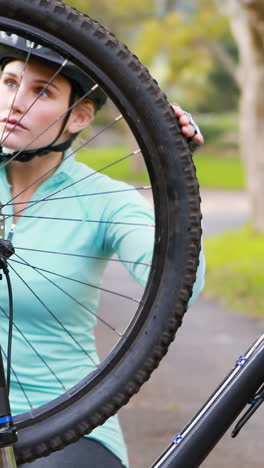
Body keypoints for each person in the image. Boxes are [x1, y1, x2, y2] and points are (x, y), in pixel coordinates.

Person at [0, 34, 205, 467]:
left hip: (65, 419)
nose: (15, 101)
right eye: (9, 81)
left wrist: (174, 177)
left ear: (79, 117)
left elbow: (184, 279)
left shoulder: (105, 198)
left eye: (41, 91)